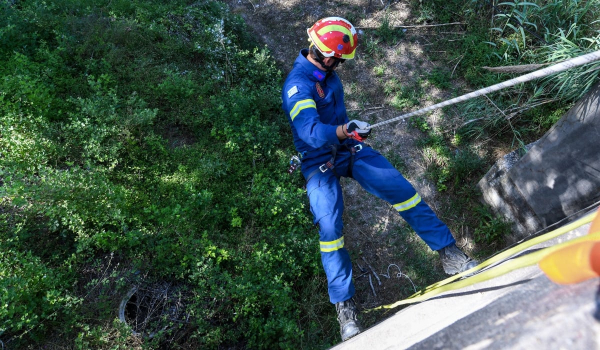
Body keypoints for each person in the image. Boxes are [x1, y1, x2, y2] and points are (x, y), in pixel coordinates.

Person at [281, 17, 478, 342]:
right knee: (330, 229)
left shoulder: (328, 76)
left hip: (345, 147)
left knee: (400, 189)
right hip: (318, 160)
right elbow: (311, 133)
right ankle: (345, 307)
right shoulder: (297, 85)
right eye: (339, 58)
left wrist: (349, 130)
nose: (341, 64)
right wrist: (345, 130)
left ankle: (450, 255)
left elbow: (336, 122)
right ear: (326, 53)